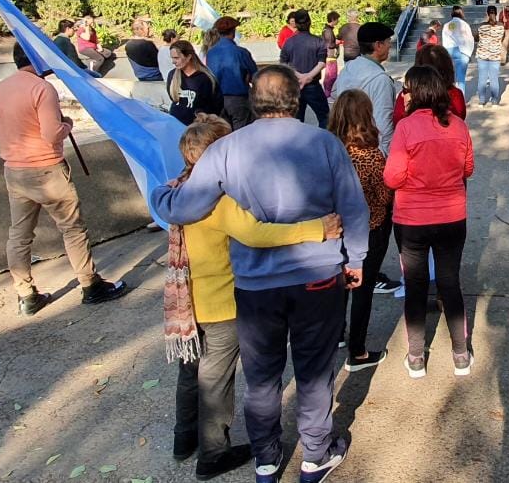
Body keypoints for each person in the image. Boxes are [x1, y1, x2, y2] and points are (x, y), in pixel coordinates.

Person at [151, 65, 371, 483]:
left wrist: (159, 191)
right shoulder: (324, 142)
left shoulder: (226, 149)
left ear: (254, 98)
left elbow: (184, 207)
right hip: (317, 275)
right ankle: (315, 455)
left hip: (254, 284)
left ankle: (267, 460)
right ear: (295, 98)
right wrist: (355, 260)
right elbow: (353, 206)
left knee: (262, 376)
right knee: (314, 370)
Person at [165, 114, 339, 480]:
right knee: (218, 377)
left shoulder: (180, 190)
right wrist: (316, 229)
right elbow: (257, 234)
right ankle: (213, 453)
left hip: (190, 298)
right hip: (222, 299)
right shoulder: (219, 200)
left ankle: (185, 438)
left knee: (191, 368)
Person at [0, 43, 130, 315]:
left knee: (19, 235)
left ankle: (25, 294)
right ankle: (90, 285)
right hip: (46, 169)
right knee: (72, 229)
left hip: (14, 170)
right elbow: (51, 133)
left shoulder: (0, 88)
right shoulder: (41, 89)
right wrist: (67, 125)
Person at [384, 65, 475, 378]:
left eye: (407, 89)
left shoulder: (406, 128)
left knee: (415, 285)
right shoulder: (459, 126)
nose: (404, 95)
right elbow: (468, 169)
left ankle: (416, 356)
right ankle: (460, 353)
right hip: (452, 215)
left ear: (417, 92)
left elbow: (392, 176)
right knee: (451, 282)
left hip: (412, 219)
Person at [328, 91, 394, 371]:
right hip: (370, 229)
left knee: (339, 284)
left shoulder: (330, 151)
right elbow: (384, 195)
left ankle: (336, 335)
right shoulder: (371, 155)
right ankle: (358, 351)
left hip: (335, 228)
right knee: (363, 288)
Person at [333, 22, 401, 154]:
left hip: (346, 146)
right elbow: (384, 125)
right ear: (378, 45)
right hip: (369, 151)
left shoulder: (348, 68)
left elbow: (335, 94)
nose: (390, 45)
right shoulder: (380, 79)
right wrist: (384, 158)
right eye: (388, 42)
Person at [279, 9, 330, 129]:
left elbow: (283, 64)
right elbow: (322, 62)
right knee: (325, 117)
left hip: (295, 86)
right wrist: (308, 77)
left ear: (295, 24)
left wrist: (299, 76)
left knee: (296, 120)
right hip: (313, 85)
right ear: (310, 22)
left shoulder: (289, 42)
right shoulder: (318, 41)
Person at [205, 16, 257, 130]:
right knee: (241, 134)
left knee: (223, 134)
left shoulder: (211, 53)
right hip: (238, 99)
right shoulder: (241, 52)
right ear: (233, 32)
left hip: (217, 100)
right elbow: (255, 76)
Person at [394, 45, 467, 121]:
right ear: (447, 67)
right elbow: (460, 116)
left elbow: (397, 120)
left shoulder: (407, 95)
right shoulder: (456, 94)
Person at [168, 40, 223, 126]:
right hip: (175, 124)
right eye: (172, 58)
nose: (173, 62)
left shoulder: (205, 78)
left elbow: (216, 104)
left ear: (189, 57)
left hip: (199, 127)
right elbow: (172, 97)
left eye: (176, 58)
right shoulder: (172, 75)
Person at [475, 5, 506, 106]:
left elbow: (476, 38)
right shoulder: (501, 26)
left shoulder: (481, 26)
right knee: (494, 79)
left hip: (482, 55)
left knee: (482, 79)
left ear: (487, 14)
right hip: (495, 55)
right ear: (496, 13)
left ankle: (482, 100)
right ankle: (494, 101)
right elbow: (502, 38)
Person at [441, 5, 476, 96]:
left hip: (449, 50)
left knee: (449, 77)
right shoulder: (464, 24)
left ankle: (448, 98)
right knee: (461, 78)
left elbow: (444, 39)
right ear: (461, 13)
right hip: (462, 51)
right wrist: (468, 53)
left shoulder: (447, 25)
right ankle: (460, 99)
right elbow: (470, 38)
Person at [321, 12, 341, 99]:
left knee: (331, 75)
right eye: (337, 19)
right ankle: (327, 94)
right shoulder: (328, 31)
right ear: (333, 19)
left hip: (330, 55)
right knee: (331, 76)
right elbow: (329, 44)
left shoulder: (328, 30)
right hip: (330, 55)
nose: (338, 21)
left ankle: (327, 93)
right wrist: (336, 43)